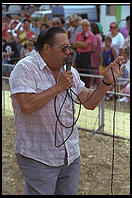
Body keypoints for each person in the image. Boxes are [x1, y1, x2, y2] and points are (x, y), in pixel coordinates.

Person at [9, 27, 125, 195]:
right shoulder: (25, 68)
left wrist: (106, 82)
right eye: (63, 48)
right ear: (47, 48)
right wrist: (58, 87)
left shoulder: (70, 72)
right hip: (38, 156)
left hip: (70, 156)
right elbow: (26, 105)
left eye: (69, 47)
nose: (69, 52)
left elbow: (89, 102)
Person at [72, 19, 94, 88]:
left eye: (86, 25)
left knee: (85, 71)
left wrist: (79, 43)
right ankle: (79, 86)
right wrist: (81, 44)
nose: (84, 27)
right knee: (79, 70)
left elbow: (86, 45)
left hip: (85, 55)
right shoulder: (78, 34)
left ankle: (86, 87)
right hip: (78, 55)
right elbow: (73, 44)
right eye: (83, 25)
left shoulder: (90, 35)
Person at [89, 23, 103, 88]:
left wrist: (88, 49)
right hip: (98, 55)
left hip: (94, 55)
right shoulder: (99, 36)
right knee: (96, 70)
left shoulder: (95, 36)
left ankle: (93, 85)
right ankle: (97, 84)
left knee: (94, 70)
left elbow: (93, 47)